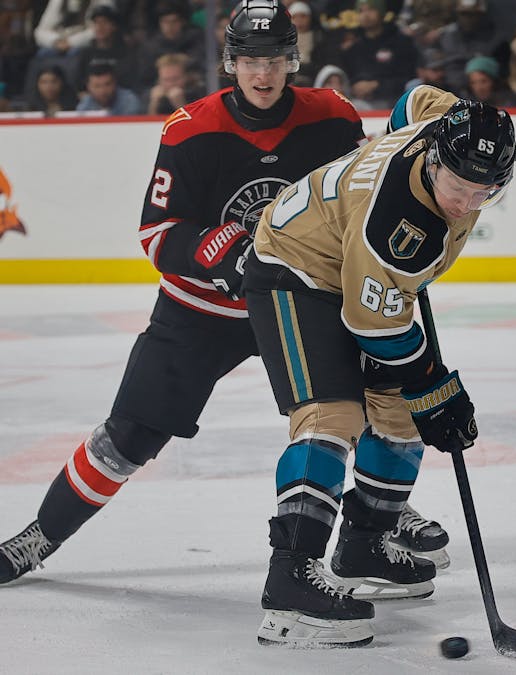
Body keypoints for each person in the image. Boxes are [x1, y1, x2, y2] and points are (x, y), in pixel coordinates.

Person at [0, 0, 366, 587]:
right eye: (251, 60)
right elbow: (158, 233)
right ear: (231, 63)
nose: (263, 73)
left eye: (274, 59)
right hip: (201, 310)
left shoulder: (333, 118)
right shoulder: (192, 129)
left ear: (292, 61)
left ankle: (375, 528)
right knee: (130, 434)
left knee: (351, 412)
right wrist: (224, 251)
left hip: (294, 301)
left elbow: (359, 206)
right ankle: (41, 535)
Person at [243, 87, 516, 646]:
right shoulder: (397, 225)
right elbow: (375, 325)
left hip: (350, 260)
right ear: (433, 161)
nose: (466, 203)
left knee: (402, 411)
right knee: (331, 414)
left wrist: (474, 147)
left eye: (484, 192)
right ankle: (290, 580)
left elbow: (414, 100)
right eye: (458, 187)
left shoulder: (444, 126)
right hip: (294, 267)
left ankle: (364, 546)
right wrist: (432, 384)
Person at [76, 60, 142, 115]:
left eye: (107, 84)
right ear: (88, 87)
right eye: (97, 86)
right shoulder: (86, 105)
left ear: (115, 83)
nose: (103, 91)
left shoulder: (129, 102)